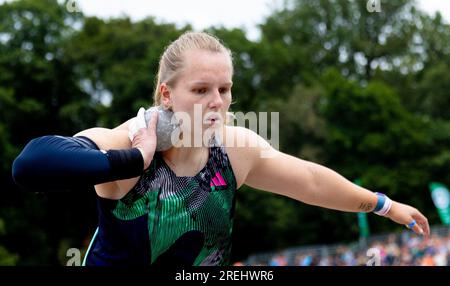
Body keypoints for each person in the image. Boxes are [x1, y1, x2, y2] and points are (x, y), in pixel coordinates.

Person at [11, 31, 430, 266]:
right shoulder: (130, 140)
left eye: (224, 88)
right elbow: (31, 164)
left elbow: (309, 181)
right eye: (200, 89)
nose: (217, 101)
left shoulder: (234, 149)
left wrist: (384, 205)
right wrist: (136, 159)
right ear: (166, 94)